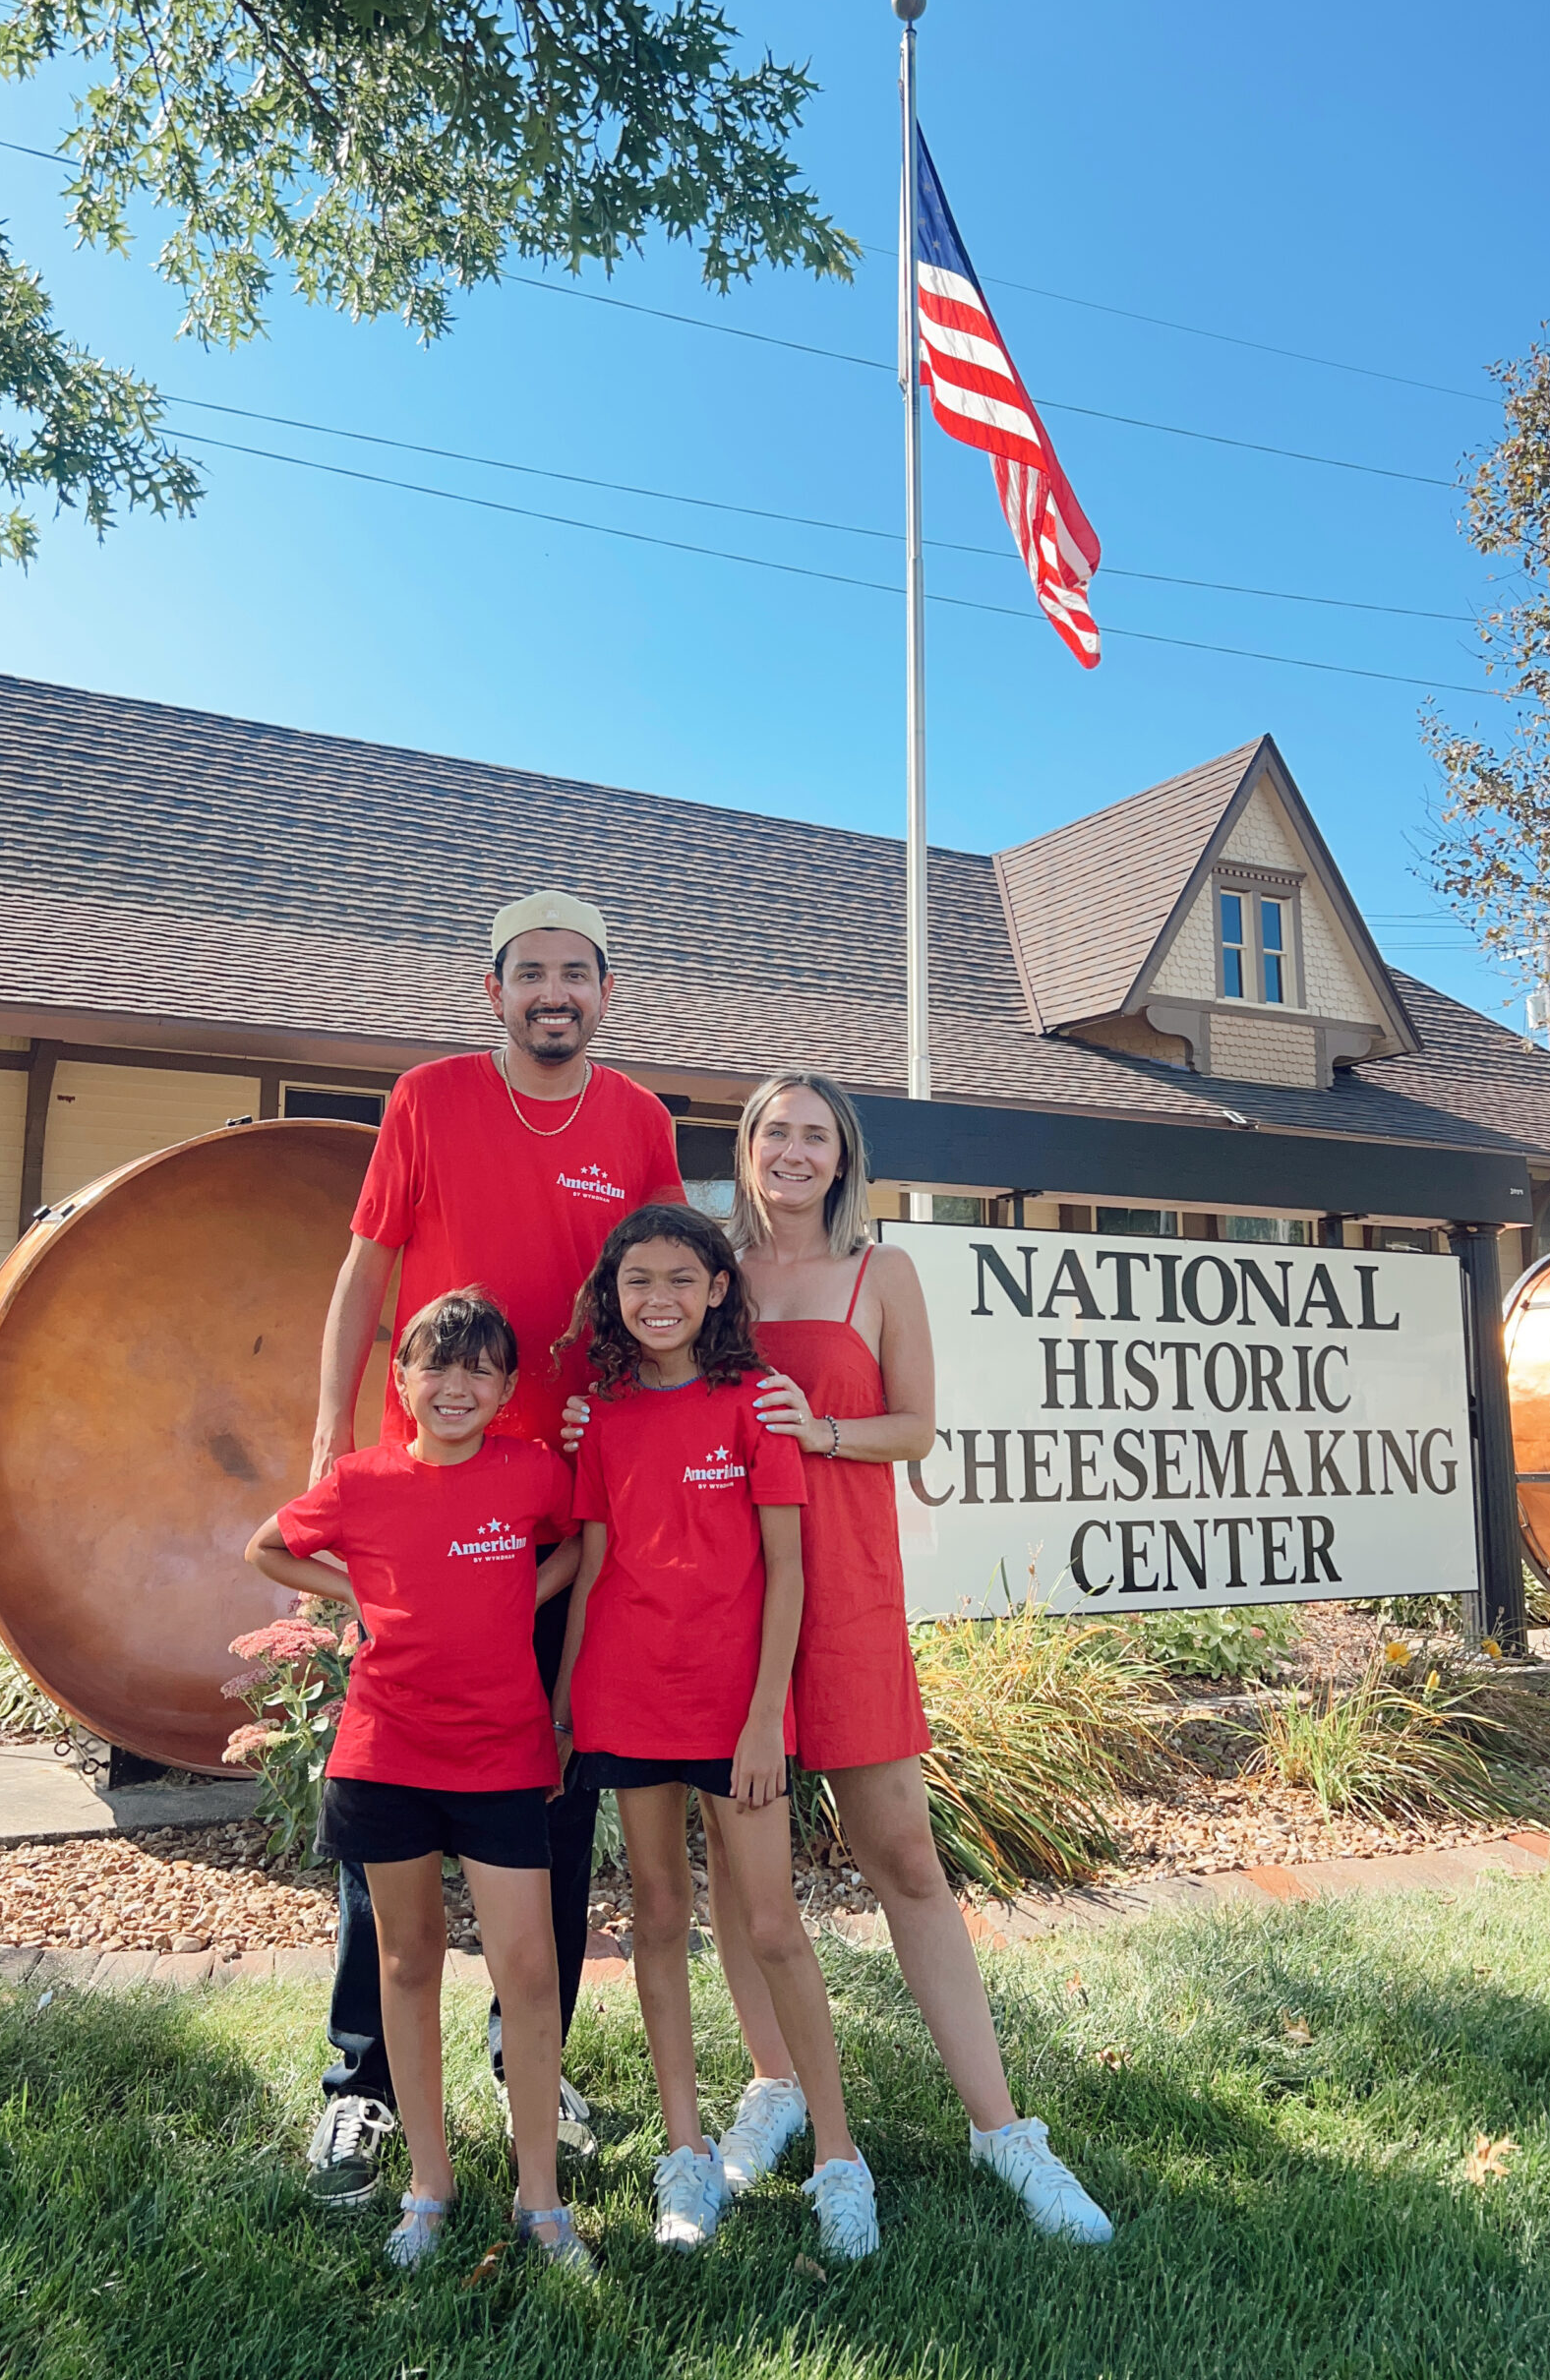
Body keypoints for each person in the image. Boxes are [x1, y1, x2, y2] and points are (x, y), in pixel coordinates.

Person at [565, 1076, 1113, 2245]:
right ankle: (775, 2084)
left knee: (904, 1854)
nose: (794, 1151)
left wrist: (824, 1431)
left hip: (844, 1591)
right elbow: (640, 1388)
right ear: (747, 1151)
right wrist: (584, 1423)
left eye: (816, 1133)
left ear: (843, 1155)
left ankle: (1003, 2128)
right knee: (736, 1868)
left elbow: (916, 1427)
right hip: (714, 1607)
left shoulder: (884, 1273)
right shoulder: (708, 1276)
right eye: (775, 1132)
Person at [302, 889, 686, 2209]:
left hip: (567, 1510)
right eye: (530, 974)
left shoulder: (637, 1122)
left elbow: (669, 1283)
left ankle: (539, 2059)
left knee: (553, 1793)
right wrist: (326, 1442)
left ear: (607, 992)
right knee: (391, 1782)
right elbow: (366, 1273)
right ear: (493, 992)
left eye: (576, 973)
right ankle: (362, 2085)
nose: (553, 993)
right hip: (429, 1504)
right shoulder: (426, 1099)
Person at [552, 1204, 880, 2263]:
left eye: (680, 1279)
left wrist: (760, 1721)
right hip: (625, 1701)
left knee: (775, 1922)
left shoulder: (753, 1407)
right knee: (655, 1912)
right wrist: (560, 1712)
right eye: (637, 1280)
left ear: (717, 1290)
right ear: (613, 1294)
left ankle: (838, 2154)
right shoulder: (598, 1416)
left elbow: (789, 1571)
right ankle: (685, 2153)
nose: (659, 1299)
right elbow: (595, 1571)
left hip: (736, 1713)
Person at [246, 1290, 592, 2275]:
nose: (457, 1385)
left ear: (508, 1388)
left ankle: (539, 2196)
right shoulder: (360, 1482)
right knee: (407, 1961)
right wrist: (357, 1590)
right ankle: (428, 2182)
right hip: (386, 1750)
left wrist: (525, 1590)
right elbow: (266, 1545)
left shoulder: (530, 1470)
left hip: (501, 1751)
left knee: (525, 1968)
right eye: (436, 1366)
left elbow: (585, 1535)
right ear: (400, 1383)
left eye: (480, 1368)